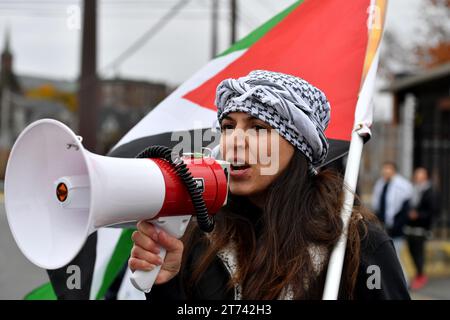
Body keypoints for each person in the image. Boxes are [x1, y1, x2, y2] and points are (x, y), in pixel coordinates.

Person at [129, 70, 410, 300]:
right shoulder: (198, 235)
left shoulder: (357, 243)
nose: (234, 141)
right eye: (228, 126)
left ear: (300, 146)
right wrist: (165, 285)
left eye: (258, 128)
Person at [404, 167, 438, 290]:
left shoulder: (430, 191)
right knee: (411, 251)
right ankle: (418, 273)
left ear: (426, 177)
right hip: (410, 227)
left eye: (421, 175)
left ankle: (420, 275)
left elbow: (433, 211)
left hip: (422, 228)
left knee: (418, 253)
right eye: (417, 174)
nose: (418, 177)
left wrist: (418, 215)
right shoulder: (412, 189)